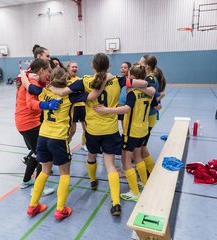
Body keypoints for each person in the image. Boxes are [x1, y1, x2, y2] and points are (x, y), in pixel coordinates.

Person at [38, 53, 156, 216]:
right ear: (108, 66)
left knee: (91, 156)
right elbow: (145, 83)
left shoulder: (85, 81)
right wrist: (136, 84)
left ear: (92, 65)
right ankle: (115, 204)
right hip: (111, 129)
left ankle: (93, 181)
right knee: (110, 166)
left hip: (93, 130)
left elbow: (63, 92)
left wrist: (48, 87)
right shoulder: (118, 80)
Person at [26, 68, 107, 220]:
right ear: (66, 79)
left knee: (44, 171)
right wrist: (103, 82)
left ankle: (32, 206)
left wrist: (25, 74)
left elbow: (27, 85)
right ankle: (60, 209)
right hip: (58, 138)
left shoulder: (43, 91)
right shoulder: (70, 96)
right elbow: (93, 95)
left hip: (43, 136)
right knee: (65, 173)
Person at [94, 63, 155, 201]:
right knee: (138, 157)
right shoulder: (148, 92)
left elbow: (126, 109)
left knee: (126, 160)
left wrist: (107, 110)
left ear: (131, 76)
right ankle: (145, 184)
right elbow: (156, 101)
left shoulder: (132, 93)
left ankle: (135, 192)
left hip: (131, 131)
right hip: (143, 129)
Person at [15, 58, 58, 197]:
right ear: (41, 70)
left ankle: (26, 181)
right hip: (29, 124)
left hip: (25, 122)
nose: (49, 74)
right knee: (43, 154)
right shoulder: (32, 82)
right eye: (48, 71)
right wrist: (47, 105)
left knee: (36, 152)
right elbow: (31, 104)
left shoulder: (32, 79)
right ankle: (39, 188)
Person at [66, 62, 87, 150]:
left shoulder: (80, 79)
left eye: (76, 67)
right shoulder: (65, 80)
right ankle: (66, 145)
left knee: (86, 128)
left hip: (82, 106)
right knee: (72, 130)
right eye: (72, 67)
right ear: (68, 68)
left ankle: (84, 143)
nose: (75, 68)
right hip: (72, 107)